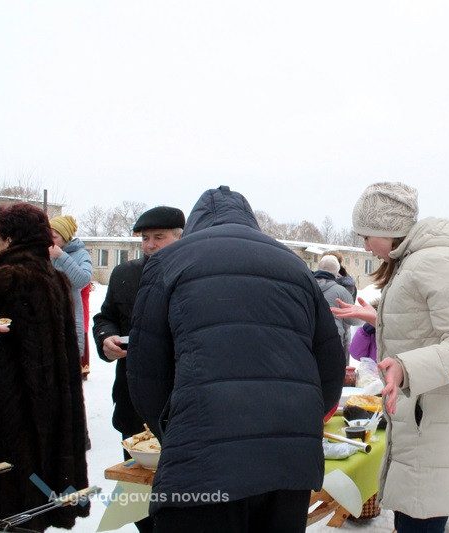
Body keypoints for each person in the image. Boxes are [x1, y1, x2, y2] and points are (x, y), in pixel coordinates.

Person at [126, 186, 344, 533]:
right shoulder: (296, 266)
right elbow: (330, 369)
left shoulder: (168, 262)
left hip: (202, 460)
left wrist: (175, 430)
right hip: (288, 466)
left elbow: (145, 374)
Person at [332, 182, 449, 533]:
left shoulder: (436, 262)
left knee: (419, 523)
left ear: (388, 229)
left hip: (436, 425)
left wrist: (405, 368)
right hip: (423, 421)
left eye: (367, 236)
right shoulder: (415, 261)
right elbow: (426, 326)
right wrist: (379, 318)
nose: (365, 246)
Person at [0, 203, 89, 530]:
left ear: (10, 239)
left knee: (6, 497)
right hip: (49, 409)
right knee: (35, 492)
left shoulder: (2, 279)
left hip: (5, 411)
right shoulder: (55, 280)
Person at [92, 206, 185, 449]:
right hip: (133, 397)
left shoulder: (193, 276)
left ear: (180, 237)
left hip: (180, 396)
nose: (150, 245)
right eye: (145, 238)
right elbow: (106, 317)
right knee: (134, 467)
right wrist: (107, 338)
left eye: (158, 237)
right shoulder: (125, 274)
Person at [50, 215, 93, 373]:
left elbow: (82, 280)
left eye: (54, 236)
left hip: (69, 319)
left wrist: (61, 256)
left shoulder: (82, 254)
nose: (49, 240)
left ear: (65, 237)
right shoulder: (44, 253)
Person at [314, 254, 359, 358]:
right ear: (337, 270)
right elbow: (353, 319)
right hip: (334, 337)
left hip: (310, 335)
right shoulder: (341, 290)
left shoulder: (307, 285)